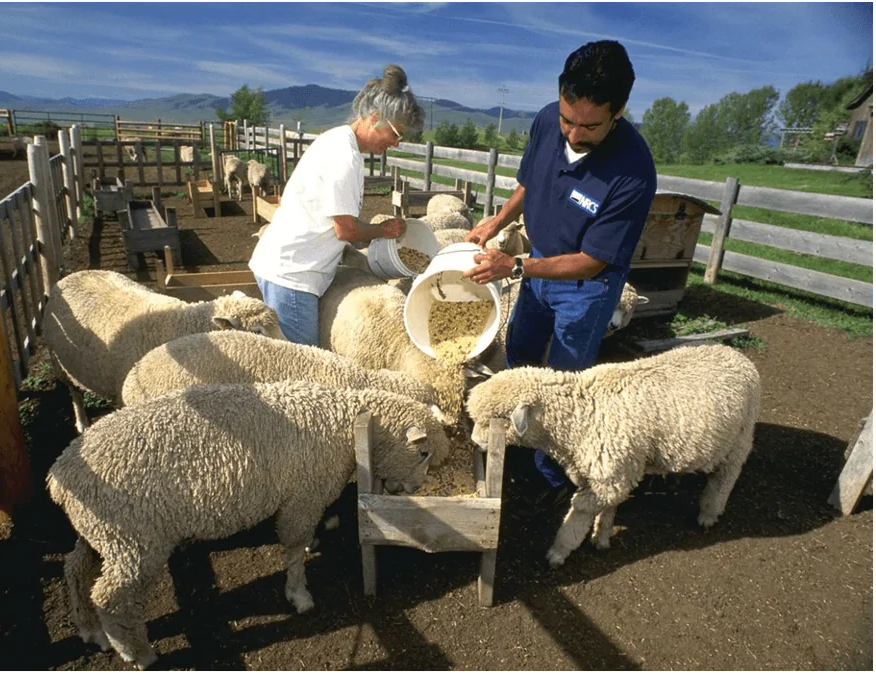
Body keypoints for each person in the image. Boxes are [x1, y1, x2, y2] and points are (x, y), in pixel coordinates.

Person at [463, 40, 657, 495]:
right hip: (534, 271)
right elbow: (531, 183)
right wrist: (498, 220)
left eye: (589, 127)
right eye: (568, 120)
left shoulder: (633, 173)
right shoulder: (548, 119)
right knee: (521, 356)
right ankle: (512, 439)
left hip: (585, 287)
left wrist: (515, 265)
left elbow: (592, 261)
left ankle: (551, 477)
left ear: (619, 111)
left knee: (566, 384)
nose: (572, 134)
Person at [249, 64, 425, 346]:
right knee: (302, 364)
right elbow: (345, 230)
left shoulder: (338, 140)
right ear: (375, 117)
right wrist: (382, 231)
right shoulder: (345, 157)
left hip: (289, 266)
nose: (396, 143)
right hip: (293, 275)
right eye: (395, 133)